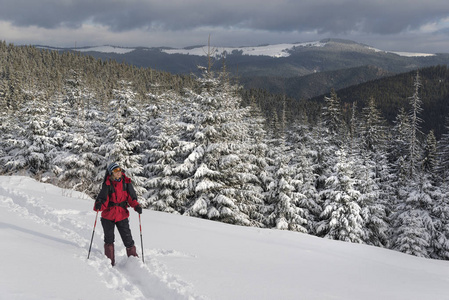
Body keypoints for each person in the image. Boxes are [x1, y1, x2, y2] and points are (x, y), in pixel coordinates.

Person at [94, 162, 143, 266]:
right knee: (109, 239)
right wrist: (99, 205)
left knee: (128, 239)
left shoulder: (126, 183)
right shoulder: (107, 184)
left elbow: (131, 197)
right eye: (116, 171)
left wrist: (136, 206)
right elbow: (103, 199)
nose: (118, 172)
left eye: (119, 170)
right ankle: (109, 262)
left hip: (122, 215)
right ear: (111, 172)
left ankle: (135, 263)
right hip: (108, 215)